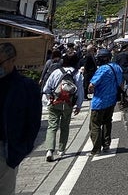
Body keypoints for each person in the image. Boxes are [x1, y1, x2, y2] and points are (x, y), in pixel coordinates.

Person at [0, 42, 42, 193]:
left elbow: (33, 122)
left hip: (6, 149)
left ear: (13, 60)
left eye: (1, 62)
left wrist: (22, 149)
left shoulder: (26, 87)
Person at [42, 52, 85, 162]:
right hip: (68, 103)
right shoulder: (77, 74)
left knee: (52, 126)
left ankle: (49, 150)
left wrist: (49, 100)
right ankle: (61, 150)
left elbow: (46, 88)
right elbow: (80, 91)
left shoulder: (56, 72)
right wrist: (79, 106)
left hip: (55, 102)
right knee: (65, 126)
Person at [88, 48, 123, 157]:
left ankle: (96, 149)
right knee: (107, 122)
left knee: (95, 125)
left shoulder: (102, 69)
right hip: (112, 100)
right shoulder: (117, 67)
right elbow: (121, 83)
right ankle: (106, 144)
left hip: (99, 101)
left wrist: (89, 91)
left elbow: (91, 85)